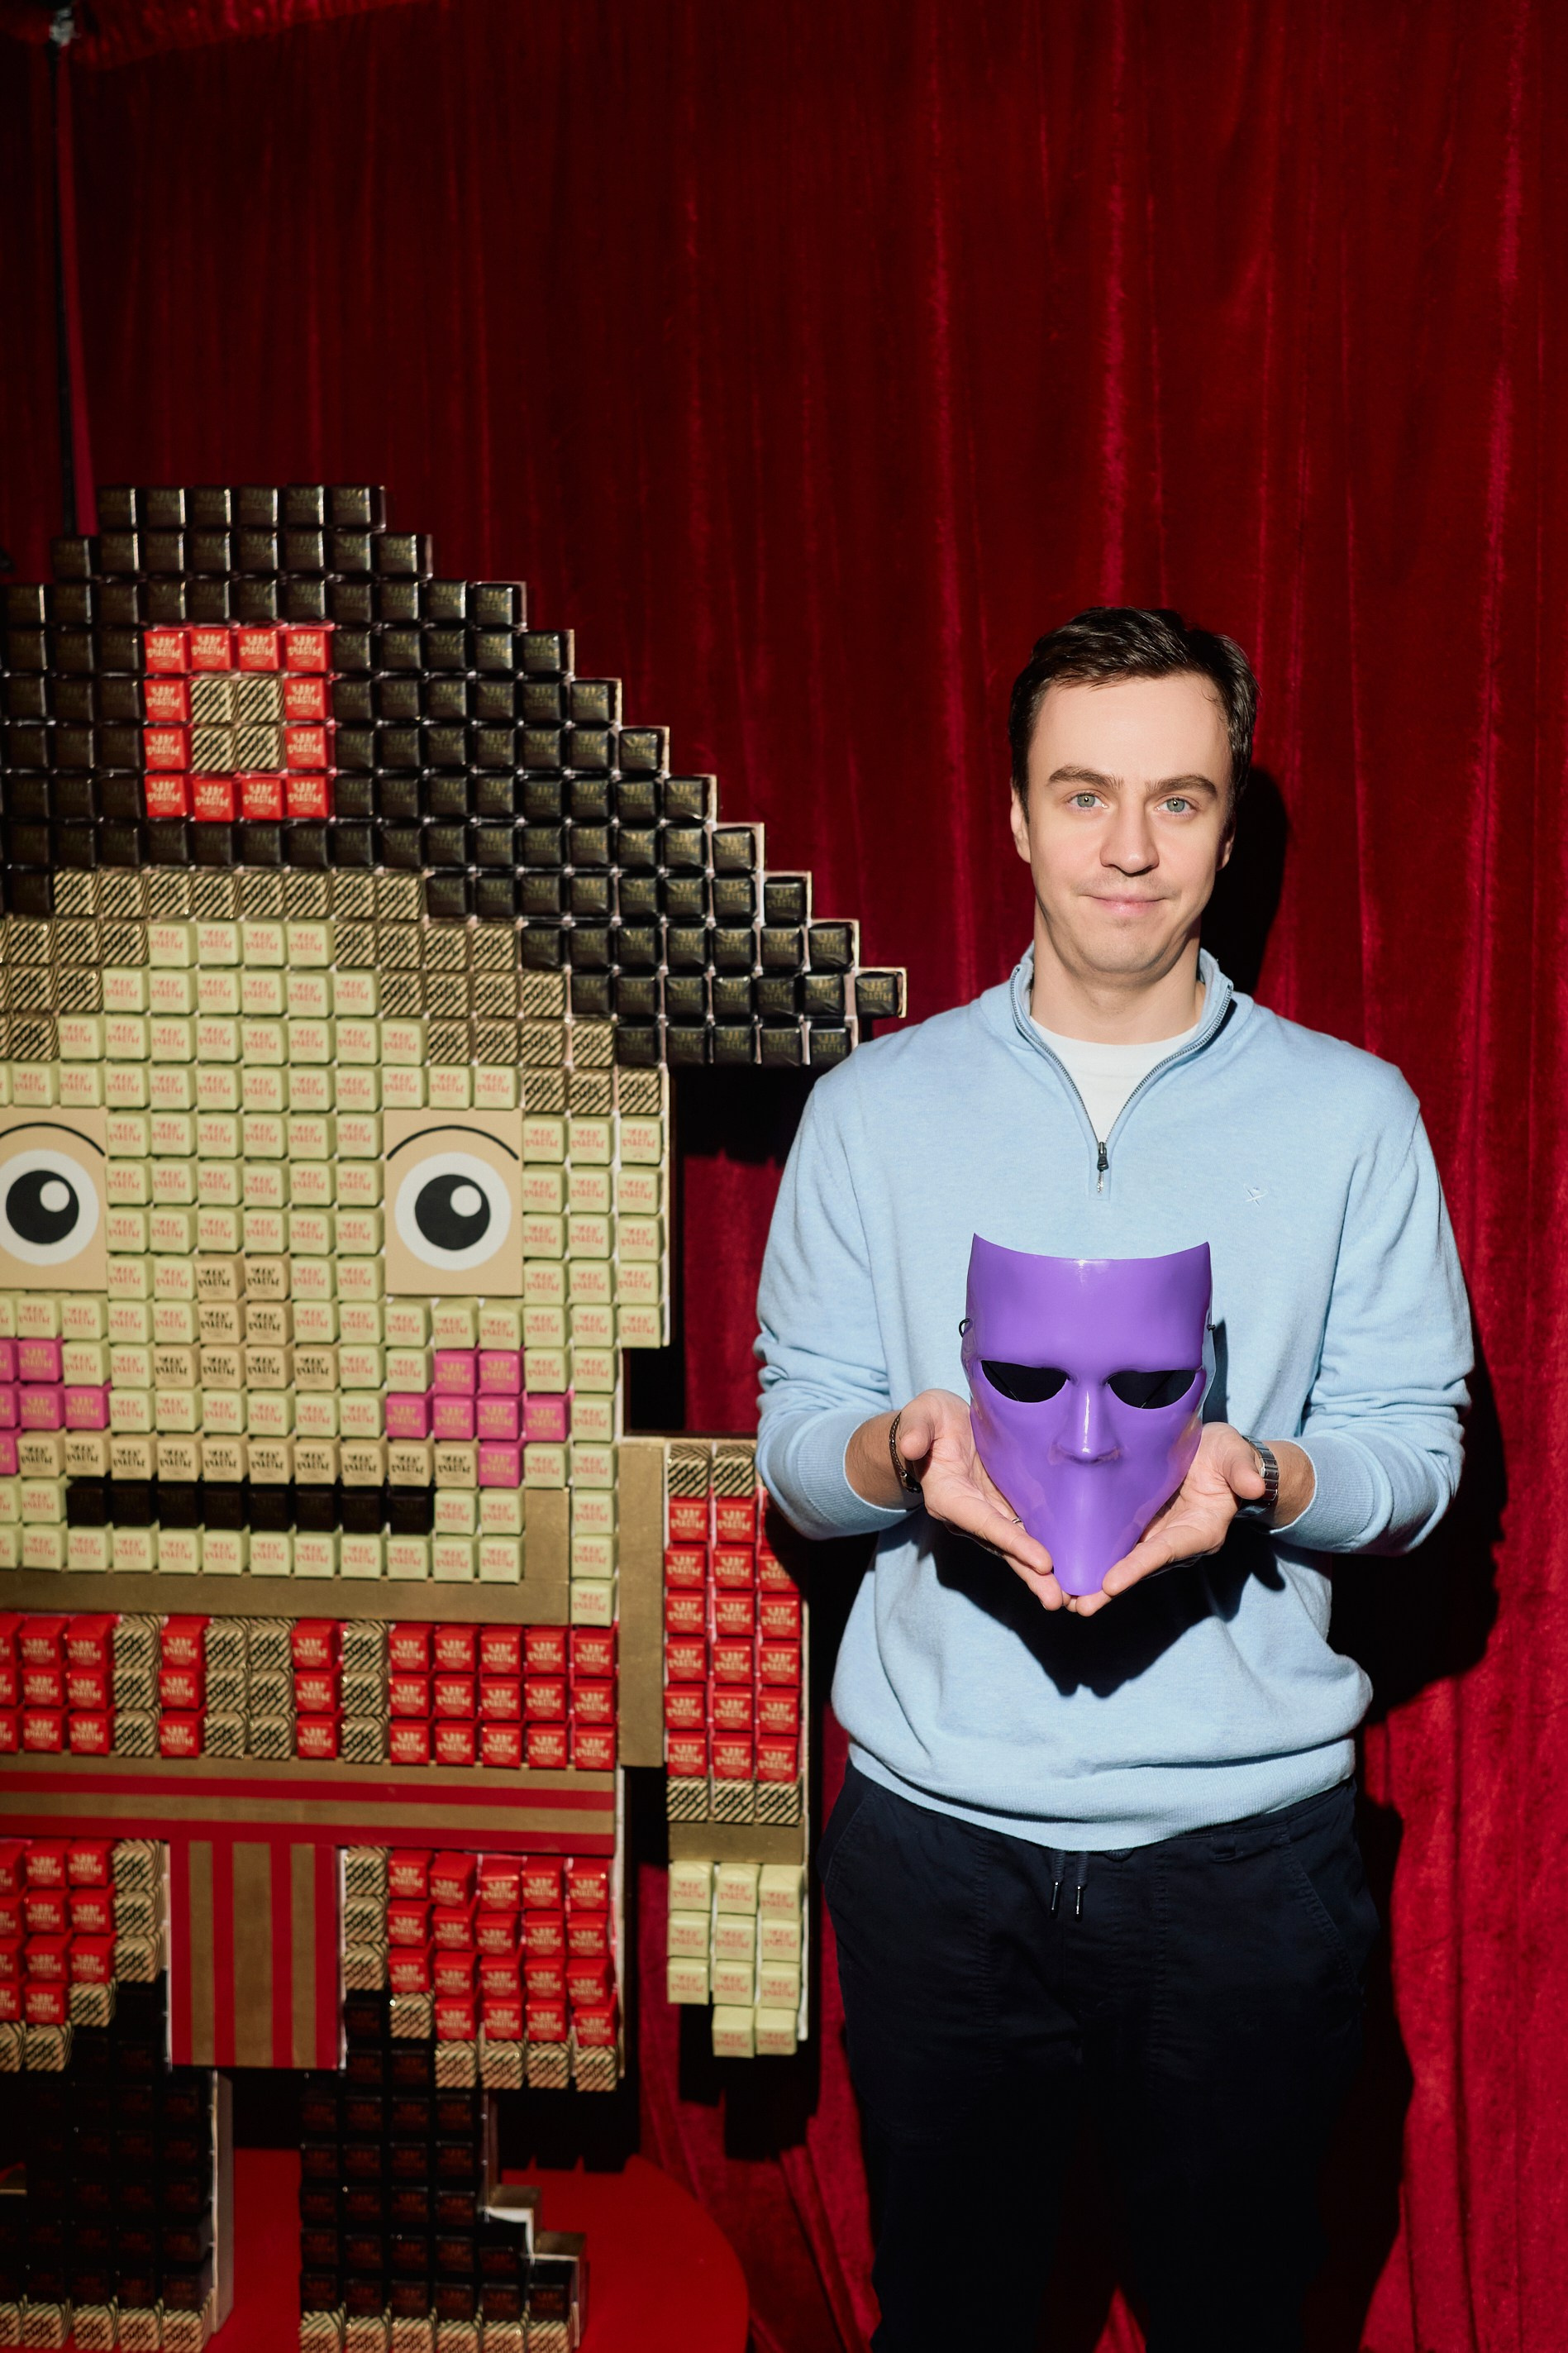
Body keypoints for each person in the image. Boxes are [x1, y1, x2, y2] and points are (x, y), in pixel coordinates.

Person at [754, 608, 1471, 2353]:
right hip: (938, 1852)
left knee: (1243, 2318)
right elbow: (794, 1447)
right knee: (955, 2320)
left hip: (1243, 1863)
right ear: (1014, 815)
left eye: (1177, 799)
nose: (1129, 848)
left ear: (1228, 828)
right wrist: (898, 1453)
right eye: (1084, 795)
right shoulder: (873, 1108)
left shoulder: (1351, 1115)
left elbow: (1418, 1459)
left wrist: (1265, 1474)